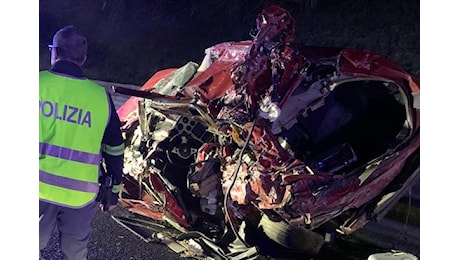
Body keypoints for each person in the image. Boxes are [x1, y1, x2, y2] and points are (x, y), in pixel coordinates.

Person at [39, 25, 125, 260]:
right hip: (81, 195)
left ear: (54, 52)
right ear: (83, 58)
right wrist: (113, 192)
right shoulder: (100, 97)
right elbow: (115, 149)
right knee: (75, 253)